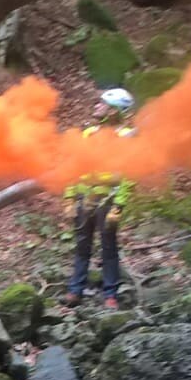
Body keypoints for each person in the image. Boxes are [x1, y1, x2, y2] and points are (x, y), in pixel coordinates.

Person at [64, 88, 136, 311]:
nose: (97, 106)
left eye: (103, 104)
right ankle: (75, 291)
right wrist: (69, 198)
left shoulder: (127, 137)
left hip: (108, 198)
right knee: (82, 245)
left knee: (108, 247)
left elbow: (131, 173)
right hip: (84, 198)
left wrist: (119, 205)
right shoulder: (89, 134)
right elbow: (73, 166)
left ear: (114, 111)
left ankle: (110, 294)